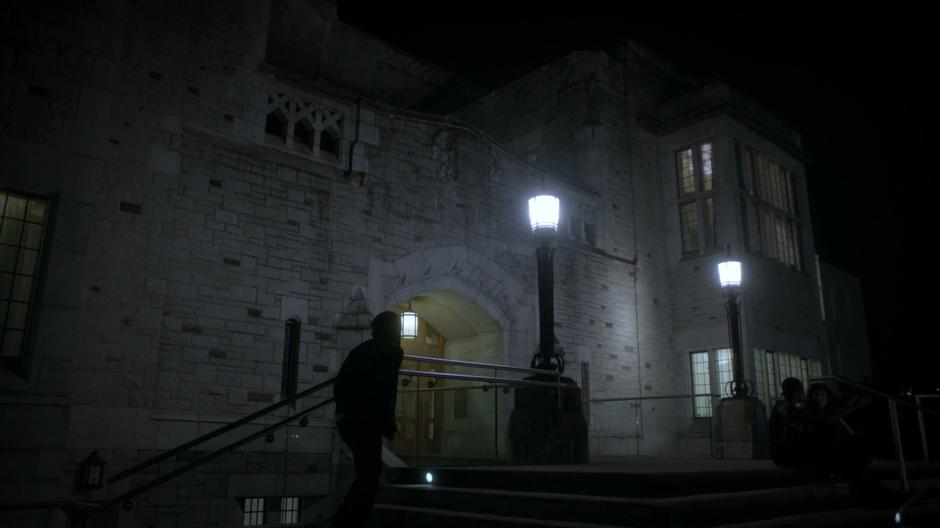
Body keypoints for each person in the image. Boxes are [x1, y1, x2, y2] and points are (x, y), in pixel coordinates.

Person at [331, 311, 404, 528]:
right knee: (370, 474)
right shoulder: (390, 352)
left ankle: (347, 518)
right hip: (364, 420)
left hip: (348, 417)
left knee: (367, 472)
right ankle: (349, 520)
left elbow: (341, 384)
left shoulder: (361, 349)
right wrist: (386, 424)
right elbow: (384, 390)